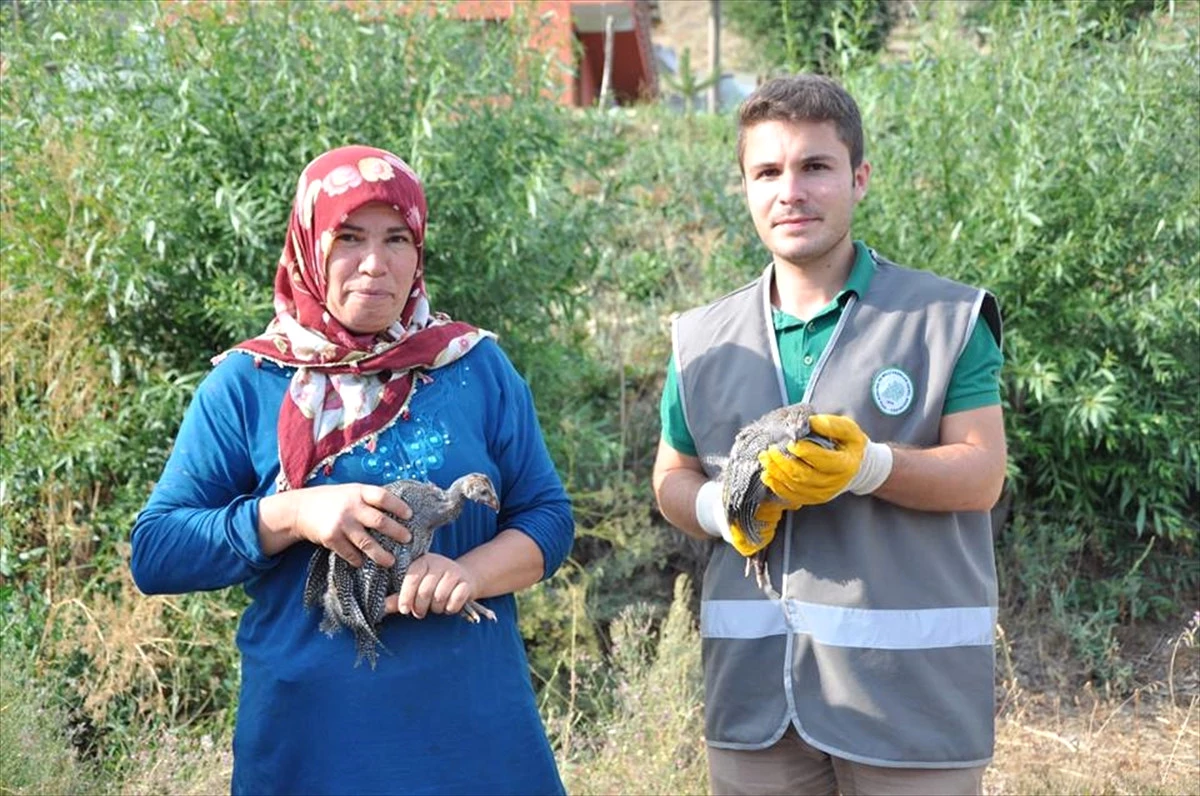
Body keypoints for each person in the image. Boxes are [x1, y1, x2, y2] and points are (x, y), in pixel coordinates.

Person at [130, 145, 573, 795]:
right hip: (311, 743)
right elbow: (158, 552)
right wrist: (293, 513)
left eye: (397, 238)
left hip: (473, 740)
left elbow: (548, 519)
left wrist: (467, 573)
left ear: (419, 251)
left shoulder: (473, 368)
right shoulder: (248, 384)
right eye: (349, 238)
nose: (375, 264)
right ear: (309, 244)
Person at [651, 75, 1006, 796]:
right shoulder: (700, 341)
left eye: (815, 166)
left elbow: (981, 474)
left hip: (911, 707)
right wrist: (725, 511)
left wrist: (870, 466)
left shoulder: (946, 319)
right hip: (753, 711)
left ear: (859, 178)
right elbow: (672, 479)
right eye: (768, 171)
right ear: (745, 188)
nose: (792, 191)